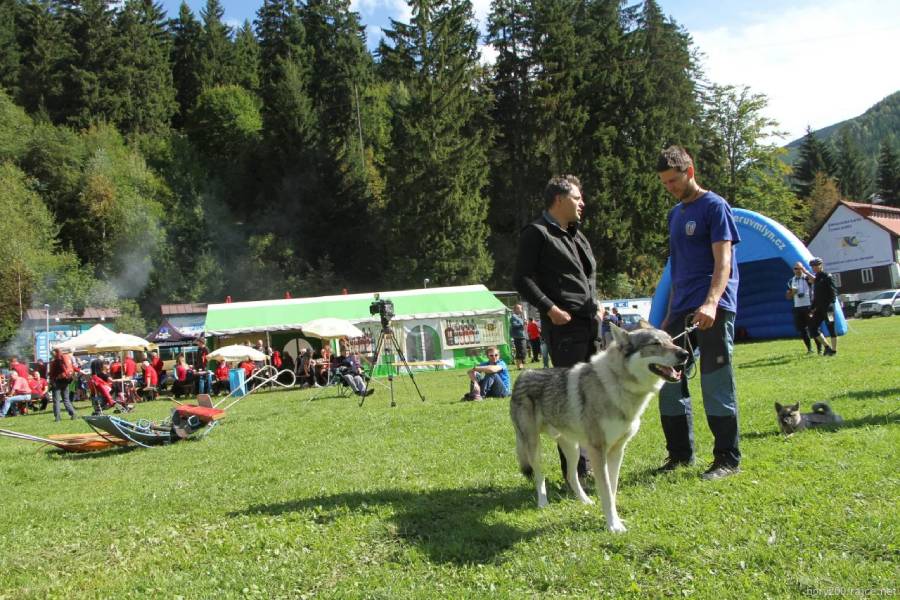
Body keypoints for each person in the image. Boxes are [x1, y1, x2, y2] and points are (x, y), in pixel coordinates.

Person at [655, 145, 742, 480]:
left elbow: (724, 262)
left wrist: (711, 302)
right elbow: (677, 269)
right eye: (664, 183)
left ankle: (727, 460)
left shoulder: (715, 206)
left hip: (713, 306)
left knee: (715, 380)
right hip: (682, 307)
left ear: (690, 171)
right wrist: (668, 315)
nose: (670, 188)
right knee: (667, 375)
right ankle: (679, 455)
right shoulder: (675, 215)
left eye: (674, 180)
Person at [513, 174, 601, 477]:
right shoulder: (536, 233)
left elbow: (588, 278)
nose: (582, 203)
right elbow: (521, 279)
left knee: (593, 398)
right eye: (577, 198)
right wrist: (549, 309)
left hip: (591, 326)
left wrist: (597, 303)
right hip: (564, 329)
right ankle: (576, 471)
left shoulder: (577, 234)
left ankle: (591, 465)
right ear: (560, 200)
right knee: (572, 400)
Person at [807, 257, 838, 356]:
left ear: (821, 265)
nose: (814, 268)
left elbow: (833, 291)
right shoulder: (816, 279)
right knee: (812, 328)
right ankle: (827, 347)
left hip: (828, 308)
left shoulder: (827, 276)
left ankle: (833, 350)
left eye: (816, 265)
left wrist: (831, 302)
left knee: (831, 327)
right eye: (813, 266)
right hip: (819, 309)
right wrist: (812, 308)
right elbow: (816, 296)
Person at [786, 261, 818, 354]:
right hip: (798, 307)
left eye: (799, 268)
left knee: (814, 328)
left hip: (809, 306)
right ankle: (809, 349)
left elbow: (815, 281)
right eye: (796, 269)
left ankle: (819, 348)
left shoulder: (807, 278)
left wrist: (806, 272)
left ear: (802, 268)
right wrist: (792, 293)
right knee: (802, 330)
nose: (797, 270)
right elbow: (788, 297)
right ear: (793, 270)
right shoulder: (791, 281)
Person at [47, 348, 77, 421]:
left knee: (56, 401)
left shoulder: (54, 362)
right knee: (66, 400)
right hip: (65, 381)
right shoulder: (63, 360)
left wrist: (51, 379)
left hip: (57, 382)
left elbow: (51, 373)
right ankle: (73, 413)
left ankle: (57, 417)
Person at [508, 304, 527, 370]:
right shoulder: (513, 317)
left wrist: (524, 323)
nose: (521, 310)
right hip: (518, 337)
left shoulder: (519, 317)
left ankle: (521, 364)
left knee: (523, 351)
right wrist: (523, 324)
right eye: (519, 308)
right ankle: (519, 366)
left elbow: (522, 326)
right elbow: (514, 325)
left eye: (521, 308)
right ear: (515, 309)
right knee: (520, 351)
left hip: (522, 336)